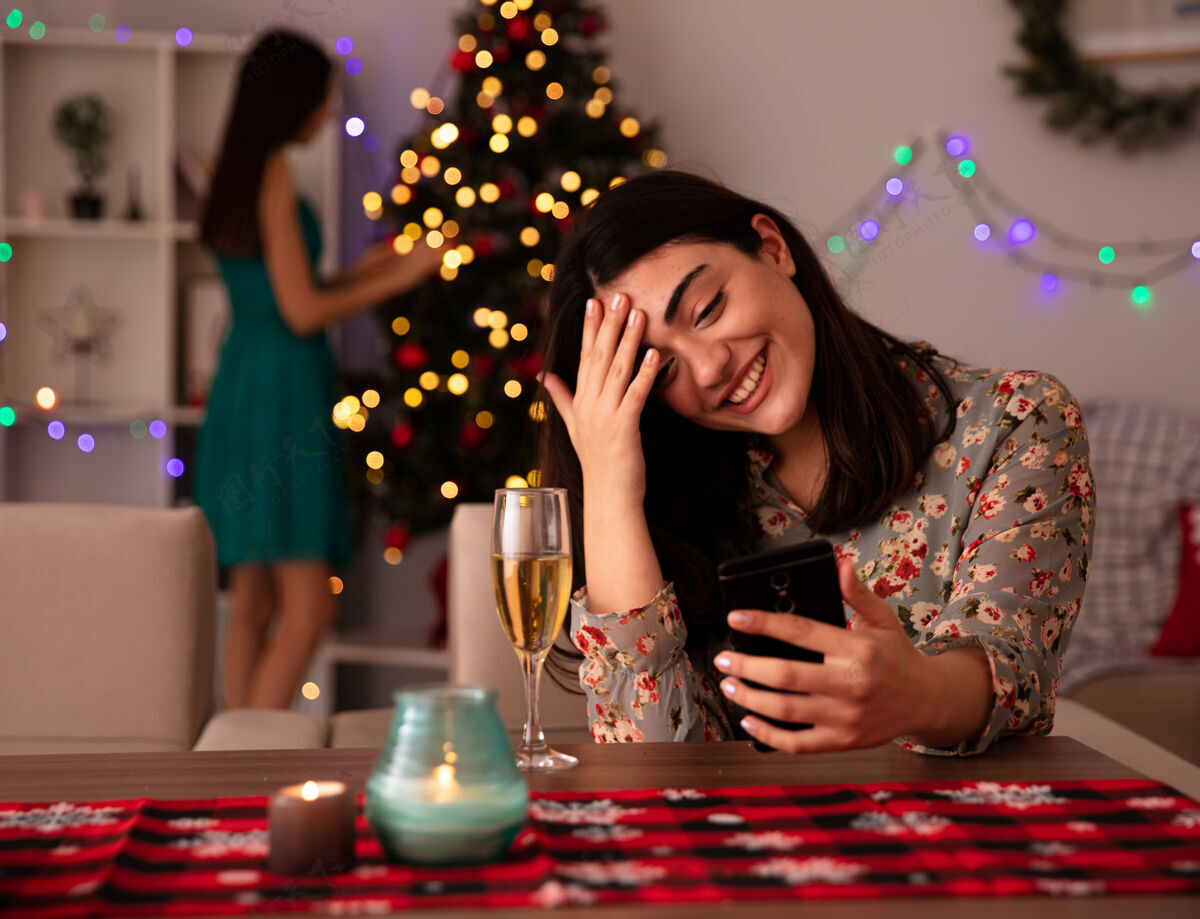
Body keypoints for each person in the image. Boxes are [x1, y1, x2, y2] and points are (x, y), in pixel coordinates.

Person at [537, 170, 1094, 755]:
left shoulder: (1015, 420)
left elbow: (1012, 665)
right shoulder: (674, 497)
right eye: (661, 370)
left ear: (773, 248)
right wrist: (609, 491)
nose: (707, 369)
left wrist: (918, 693)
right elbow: (649, 763)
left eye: (706, 309)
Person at [195, 30, 441, 710]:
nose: (328, 111)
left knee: (251, 600)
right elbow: (302, 313)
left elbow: (281, 293)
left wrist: (356, 272)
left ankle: (225, 770)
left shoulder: (236, 171)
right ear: (290, 100)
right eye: (322, 98)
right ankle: (250, 763)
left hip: (243, 382)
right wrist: (405, 276)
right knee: (308, 610)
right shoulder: (274, 173)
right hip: (283, 389)